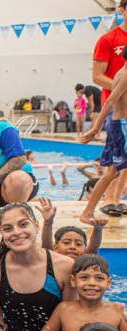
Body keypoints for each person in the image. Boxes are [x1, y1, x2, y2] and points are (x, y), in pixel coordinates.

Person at [0, 203, 76, 331]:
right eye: (8, 228)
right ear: (1, 233)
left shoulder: (64, 267)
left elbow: (69, 322)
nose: (17, 232)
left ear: (36, 226)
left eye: (23, 225)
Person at [25, 254, 127, 331]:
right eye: (84, 277)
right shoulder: (64, 309)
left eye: (99, 278)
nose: (91, 283)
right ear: (73, 281)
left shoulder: (117, 310)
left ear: (108, 283)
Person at [80, 46, 127, 221]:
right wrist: (95, 129)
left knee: (112, 173)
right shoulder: (125, 76)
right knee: (111, 173)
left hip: (119, 127)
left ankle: (88, 211)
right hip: (122, 127)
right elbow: (109, 103)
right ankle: (87, 211)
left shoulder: (121, 72)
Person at [38, 198, 104, 259]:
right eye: (66, 243)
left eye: (78, 244)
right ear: (56, 248)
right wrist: (48, 222)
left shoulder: (85, 264)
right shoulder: (53, 263)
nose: (72, 247)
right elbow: (47, 248)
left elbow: (93, 250)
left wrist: (98, 228)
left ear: (85, 251)